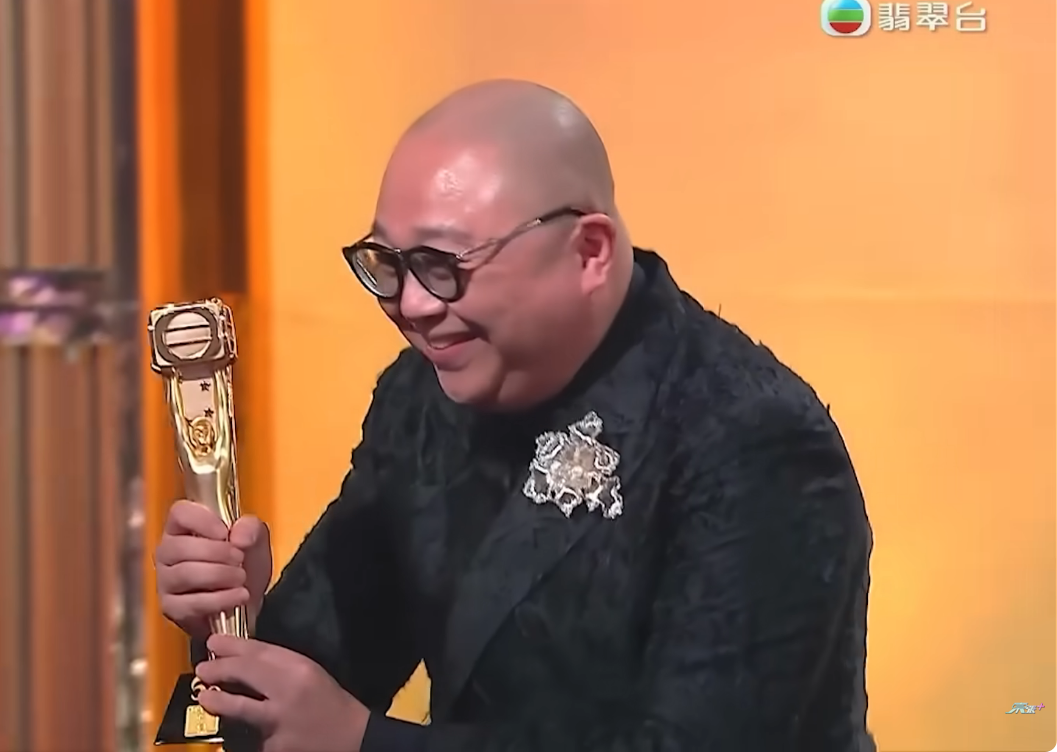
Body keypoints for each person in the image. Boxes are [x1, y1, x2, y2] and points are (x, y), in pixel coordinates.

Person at [154, 79, 875, 752]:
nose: (411, 305)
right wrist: (232, 620)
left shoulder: (751, 438)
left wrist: (371, 743)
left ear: (588, 251)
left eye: (444, 266)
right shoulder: (419, 398)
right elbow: (308, 703)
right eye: (387, 265)